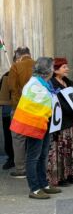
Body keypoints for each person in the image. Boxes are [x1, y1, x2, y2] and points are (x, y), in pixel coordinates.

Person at [10, 57, 62, 199]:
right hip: (34, 125)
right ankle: (34, 188)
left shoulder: (43, 83)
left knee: (42, 155)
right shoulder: (35, 84)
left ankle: (43, 184)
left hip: (43, 123)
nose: (53, 70)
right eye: (52, 67)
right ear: (47, 71)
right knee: (33, 157)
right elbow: (34, 106)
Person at [47, 58, 73, 186]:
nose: (67, 69)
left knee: (71, 147)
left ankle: (71, 174)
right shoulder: (51, 84)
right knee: (61, 148)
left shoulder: (69, 82)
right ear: (56, 70)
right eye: (64, 67)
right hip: (61, 122)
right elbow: (58, 104)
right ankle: (60, 177)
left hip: (72, 121)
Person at [8, 46, 35, 178]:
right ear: (29, 54)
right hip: (38, 107)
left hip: (21, 107)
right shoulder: (38, 64)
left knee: (19, 138)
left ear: (18, 56)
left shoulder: (16, 67)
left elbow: (12, 88)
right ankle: (36, 166)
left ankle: (21, 169)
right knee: (36, 137)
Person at [1, 60, 14, 170]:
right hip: (8, 110)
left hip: (20, 109)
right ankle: (11, 157)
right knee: (8, 135)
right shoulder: (6, 75)